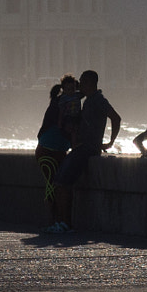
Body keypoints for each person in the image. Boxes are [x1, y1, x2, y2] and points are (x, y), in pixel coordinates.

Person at [47, 69, 120, 235]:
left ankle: (65, 223)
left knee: (61, 183)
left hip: (86, 149)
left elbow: (116, 118)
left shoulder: (98, 100)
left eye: (82, 82)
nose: (80, 85)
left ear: (89, 83)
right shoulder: (88, 100)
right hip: (82, 147)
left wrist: (110, 142)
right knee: (60, 182)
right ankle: (62, 222)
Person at [34, 78, 76, 225]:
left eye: (73, 89)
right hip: (47, 150)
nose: (71, 92)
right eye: (68, 89)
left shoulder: (72, 104)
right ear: (63, 89)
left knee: (56, 185)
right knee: (52, 185)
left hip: (59, 151)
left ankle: (57, 221)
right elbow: (65, 127)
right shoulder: (59, 104)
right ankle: (53, 221)